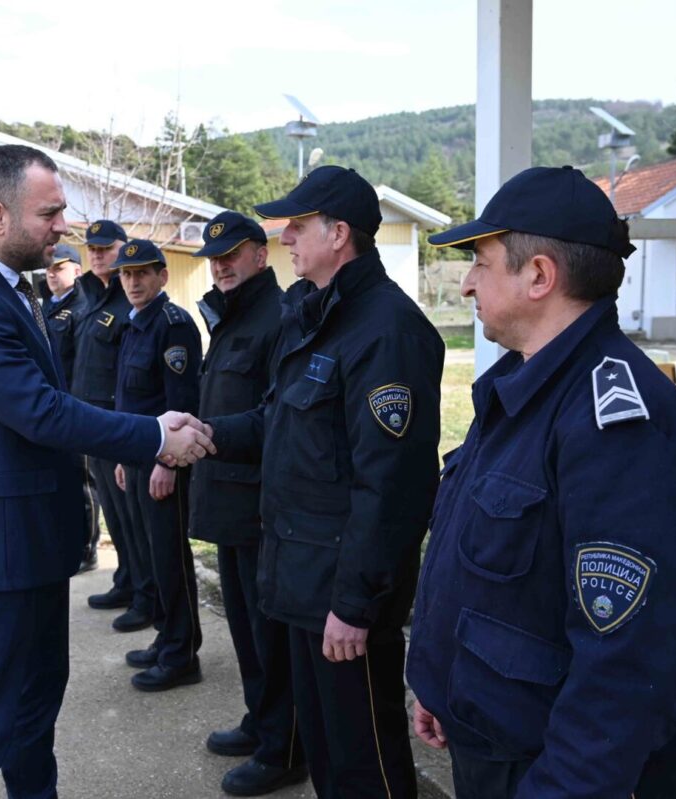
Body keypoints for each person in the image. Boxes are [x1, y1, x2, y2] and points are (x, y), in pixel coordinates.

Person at [405, 165, 676, 799]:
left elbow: (630, 675)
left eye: (481, 260)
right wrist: (443, 683)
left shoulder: (622, 432)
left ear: (539, 276)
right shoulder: (527, 392)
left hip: (553, 773)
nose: (468, 283)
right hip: (495, 742)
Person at [0, 144, 214, 798]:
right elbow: (40, 412)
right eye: (48, 213)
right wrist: (153, 435)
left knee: (34, 712)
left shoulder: (7, 287)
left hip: (29, 547)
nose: (62, 225)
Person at [205, 165, 444, 798]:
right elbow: (279, 423)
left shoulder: (385, 329)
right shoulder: (318, 317)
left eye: (297, 225)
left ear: (339, 234)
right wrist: (206, 435)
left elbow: (391, 485)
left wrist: (357, 603)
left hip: (342, 598)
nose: (283, 237)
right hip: (303, 583)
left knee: (366, 760)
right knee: (331, 762)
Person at [187, 211, 307, 795]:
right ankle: (262, 722)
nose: (222, 265)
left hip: (260, 505)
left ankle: (284, 748)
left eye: (233, 253)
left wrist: (206, 435)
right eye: (215, 258)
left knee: (269, 637)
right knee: (243, 628)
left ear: (262, 255)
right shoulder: (230, 316)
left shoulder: (277, 318)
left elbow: (275, 417)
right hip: (229, 503)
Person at [110, 238, 205, 692]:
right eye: (127, 275)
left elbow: (181, 402)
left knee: (169, 557)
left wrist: (168, 462)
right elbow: (131, 401)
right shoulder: (134, 325)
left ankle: (182, 655)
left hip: (165, 463)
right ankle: (167, 636)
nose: (133, 282)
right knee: (151, 554)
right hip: (140, 459)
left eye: (143, 273)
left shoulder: (173, 325)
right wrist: (128, 458)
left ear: (162, 276)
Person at [71, 219, 155, 632]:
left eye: (106, 248)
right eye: (93, 248)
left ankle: (146, 594)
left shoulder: (130, 304)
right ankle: (126, 580)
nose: (98, 254)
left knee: (132, 517)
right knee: (117, 519)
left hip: (117, 424)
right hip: (93, 424)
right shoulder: (94, 298)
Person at [42, 243, 99, 573]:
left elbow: (82, 363)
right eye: (49, 268)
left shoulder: (83, 308)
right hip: (53, 407)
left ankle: (88, 547)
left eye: (59, 268)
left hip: (77, 405)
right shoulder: (45, 308)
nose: (52, 273)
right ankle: (69, 541)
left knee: (84, 480)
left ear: (77, 271)